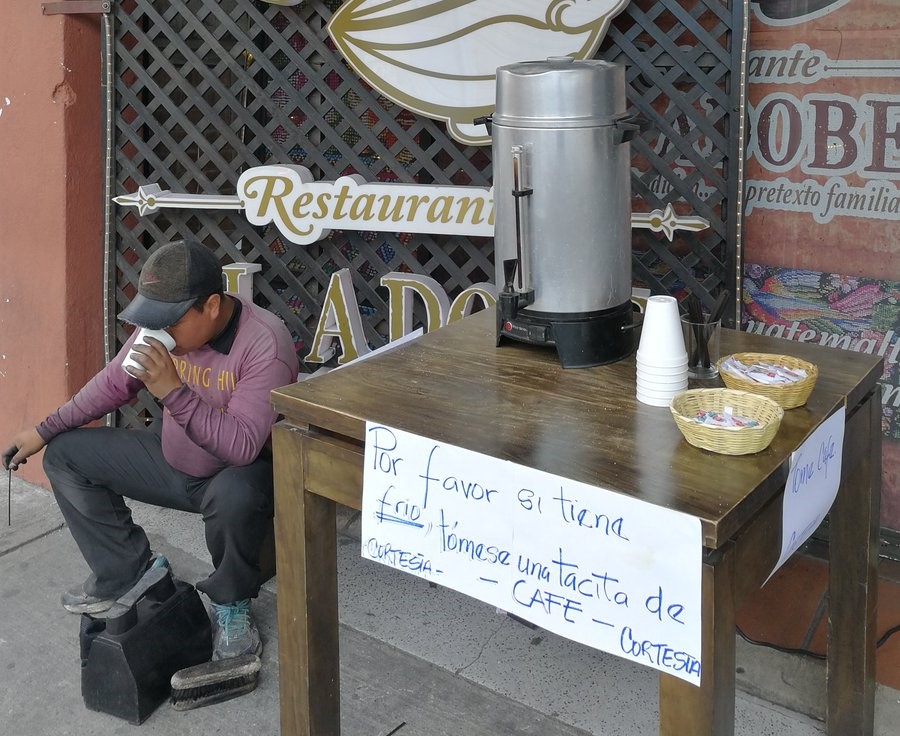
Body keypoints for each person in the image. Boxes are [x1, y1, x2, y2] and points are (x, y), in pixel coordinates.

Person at [2, 238, 299, 660]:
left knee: (238, 493)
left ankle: (232, 604)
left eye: (170, 320)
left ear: (211, 306)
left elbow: (243, 446)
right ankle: (128, 572)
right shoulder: (163, 329)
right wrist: (44, 429)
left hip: (233, 475)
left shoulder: (264, 342)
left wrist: (173, 391)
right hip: (172, 459)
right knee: (65, 455)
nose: (158, 332)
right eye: (153, 320)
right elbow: (112, 384)